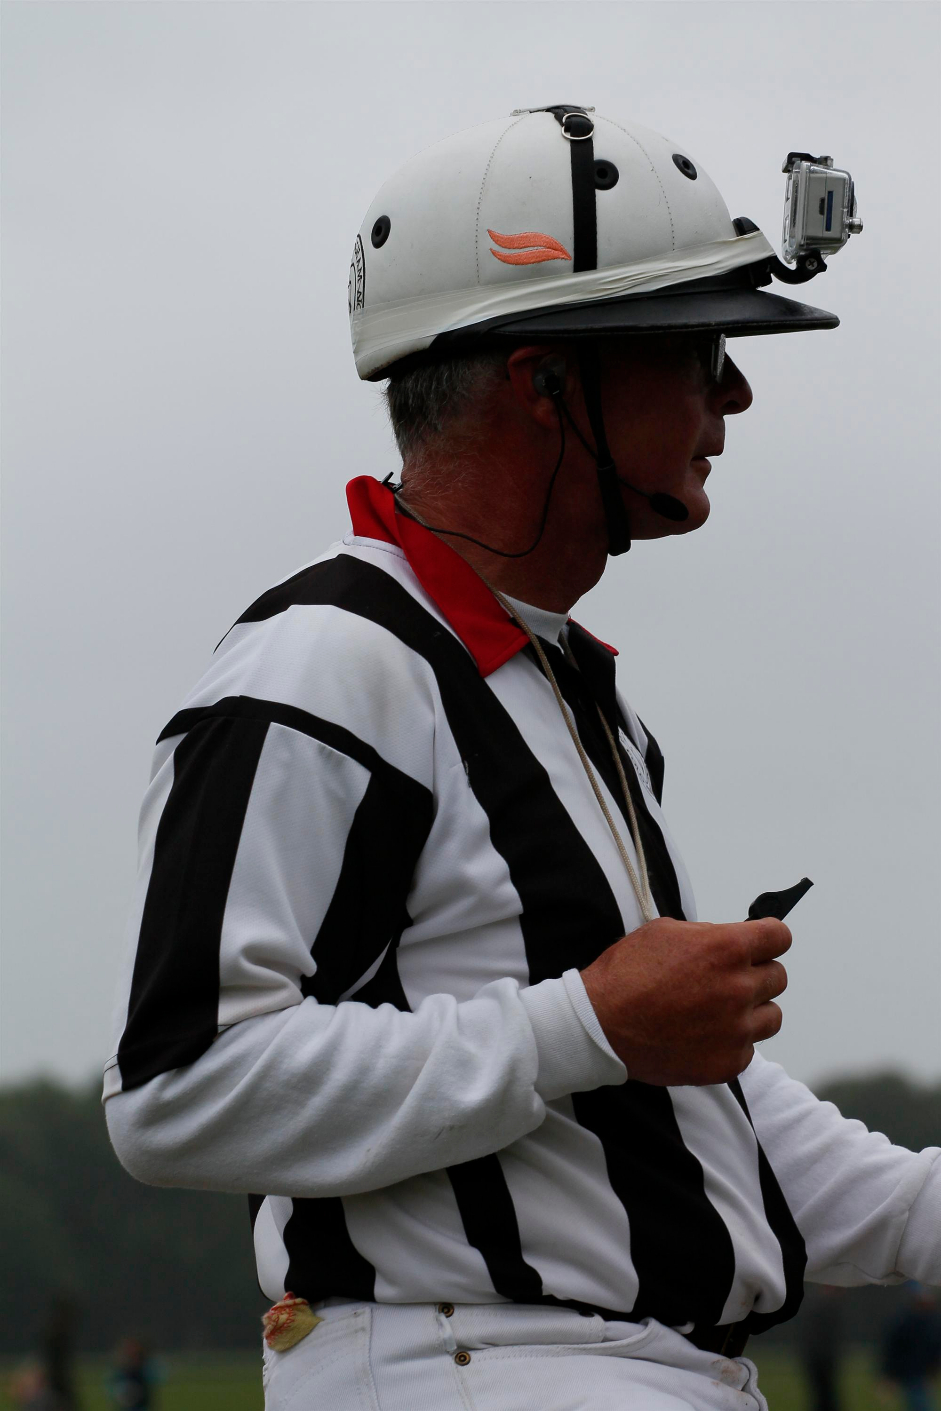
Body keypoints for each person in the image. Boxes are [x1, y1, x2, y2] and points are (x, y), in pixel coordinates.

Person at [104, 106, 941, 1411]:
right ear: (543, 382)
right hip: (480, 1366)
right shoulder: (324, 658)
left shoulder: (560, 686)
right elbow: (177, 1090)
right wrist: (589, 1020)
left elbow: (673, 1115)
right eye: (697, 347)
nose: (734, 391)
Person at [881, 1286, 941, 1411]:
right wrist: (889, 1375)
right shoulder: (905, 1322)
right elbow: (893, 1349)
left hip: (922, 1372)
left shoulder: (931, 1321)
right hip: (911, 1372)